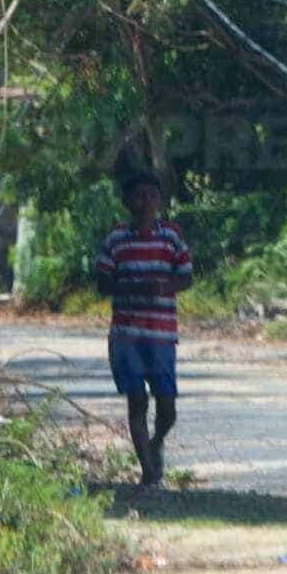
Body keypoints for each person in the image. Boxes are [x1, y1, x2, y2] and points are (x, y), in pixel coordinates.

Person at [96, 170, 194, 489]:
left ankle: (156, 442)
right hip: (126, 334)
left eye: (152, 195)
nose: (146, 201)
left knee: (167, 407)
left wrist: (163, 287)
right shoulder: (115, 239)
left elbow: (186, 276)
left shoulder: (172, 236)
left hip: (161, 335)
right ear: (127, 202)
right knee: (137, 401)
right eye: (140, 195)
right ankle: (149, 472)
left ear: (160, 200)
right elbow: (102, 282)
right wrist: (132, 289)